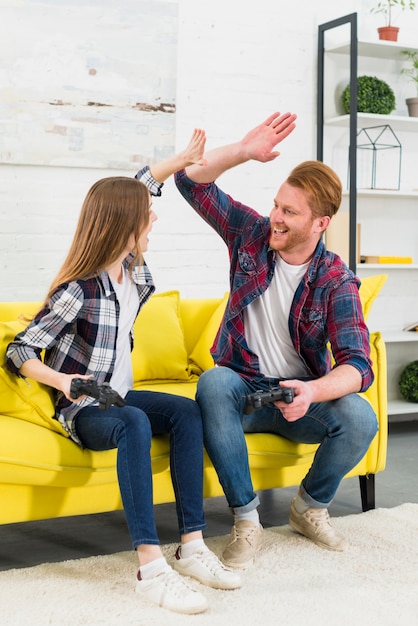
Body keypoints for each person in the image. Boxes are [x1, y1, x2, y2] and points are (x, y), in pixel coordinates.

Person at [6, 129, 242, 615]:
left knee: (186, 410)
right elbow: (20, 349)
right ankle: (151, 567)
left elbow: (131, 191)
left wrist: (177, 162)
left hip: (120, 393)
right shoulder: (79, 288)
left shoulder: (132, 273)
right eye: (144, 221)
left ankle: (192, 545)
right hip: (85, 407)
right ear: (123, 228)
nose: (151, 222)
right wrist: (63, 382)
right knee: (134, 422)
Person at [165, 111, 377, 568]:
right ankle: (246, 520)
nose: (275, 218)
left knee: (361, 418)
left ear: (319, 223)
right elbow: (190, 183)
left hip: (295, 399)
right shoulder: (251, 235)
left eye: (289, 212)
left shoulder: (335, 280)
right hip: (241, 392)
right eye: (276, 205)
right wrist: (243, 150)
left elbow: (358, 364)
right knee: (215, 382)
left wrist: (313, 392)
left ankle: (309, 508)